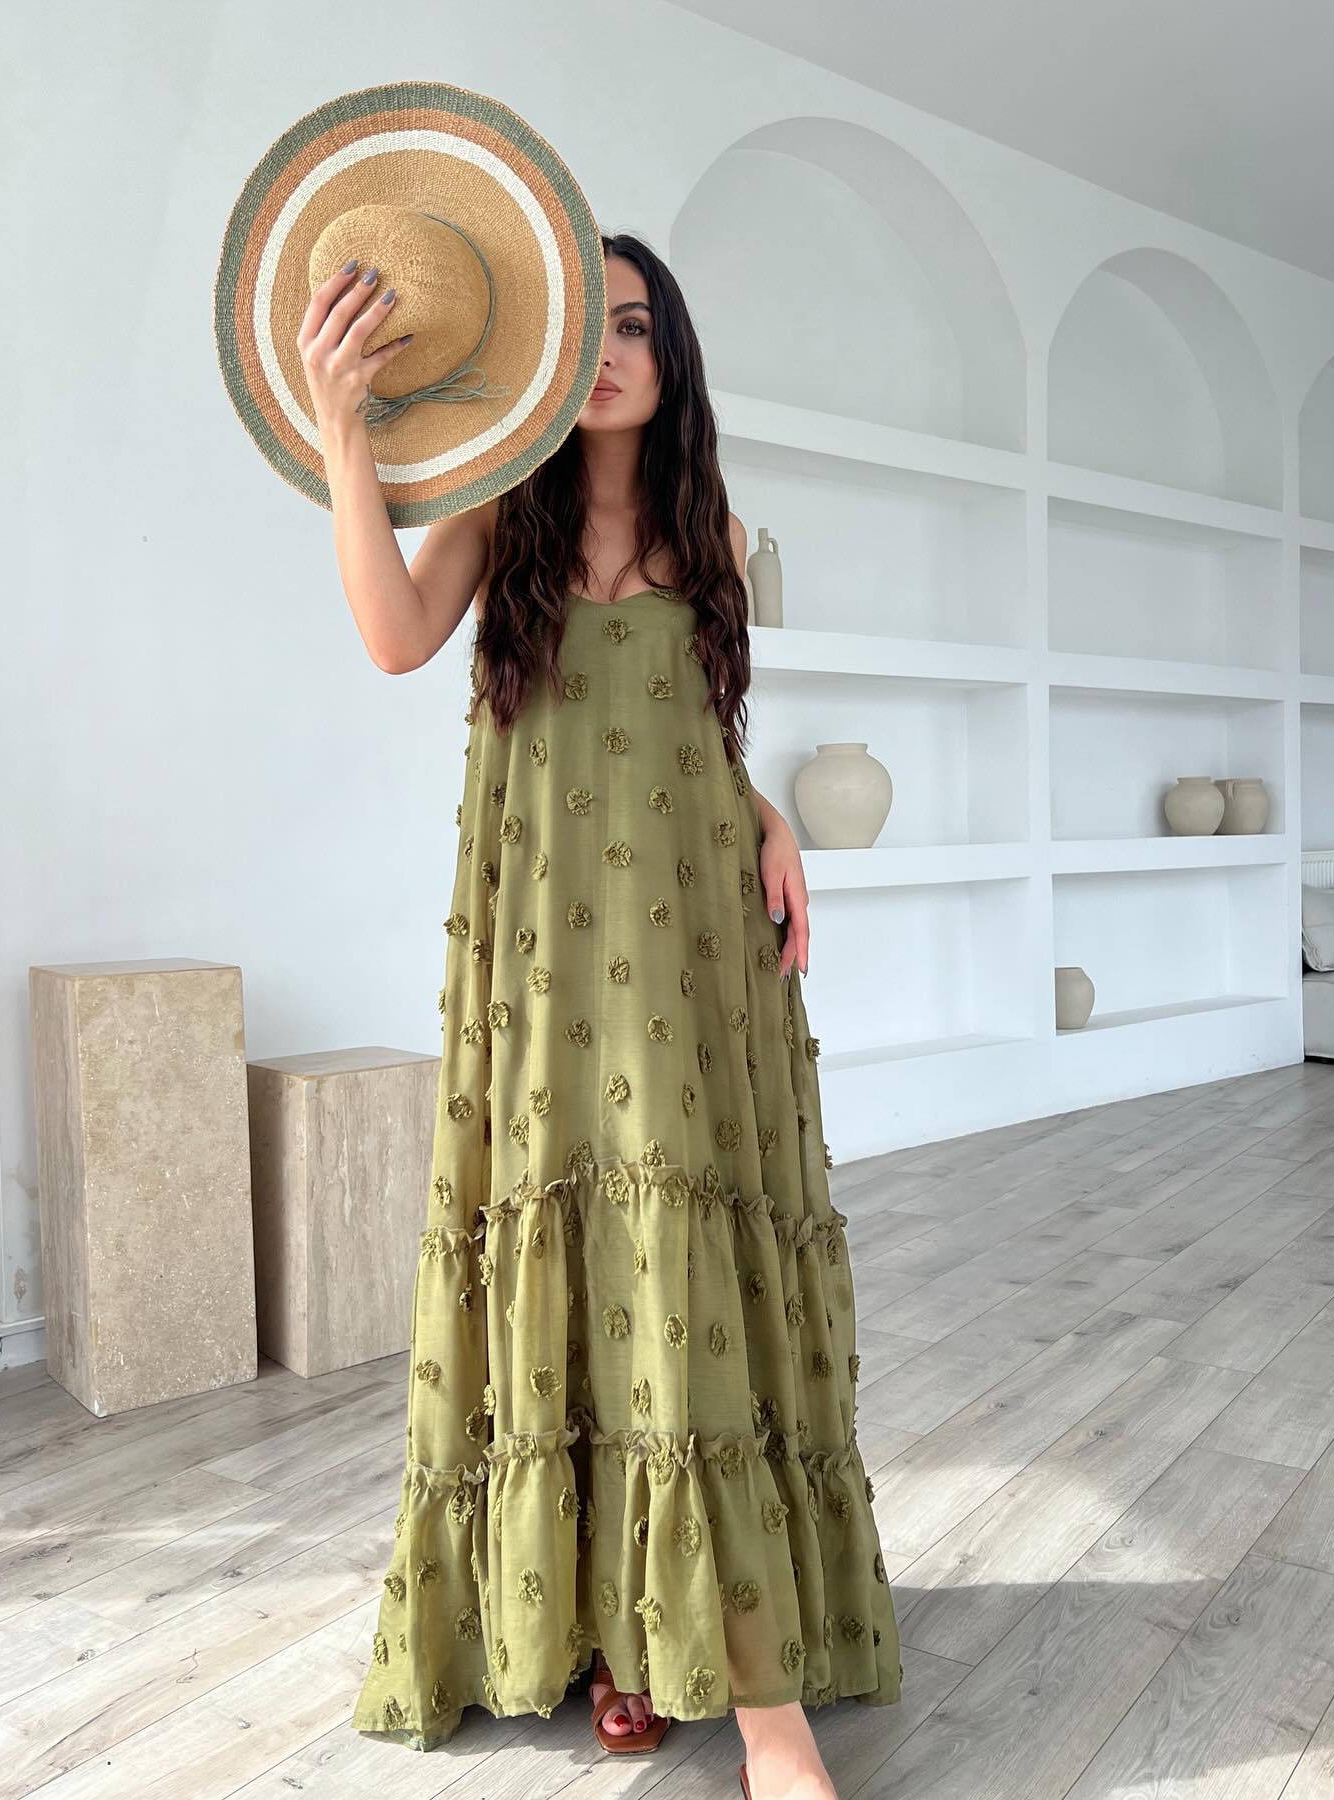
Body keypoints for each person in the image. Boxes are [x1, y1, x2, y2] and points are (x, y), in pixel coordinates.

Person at [307, 230, 902, 1798]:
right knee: (591, 1243)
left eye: (636, 326)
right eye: (588, 330)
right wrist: (345, 432)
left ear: (672, 358)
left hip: (696, 944)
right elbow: (392, 636)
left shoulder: (719, 537)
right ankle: (611, 1633)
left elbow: (693, 735)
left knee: (679, 1261)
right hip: (549, 952)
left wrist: (768, 813)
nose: (612, 355)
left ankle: (756, 1691)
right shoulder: (502, 513)